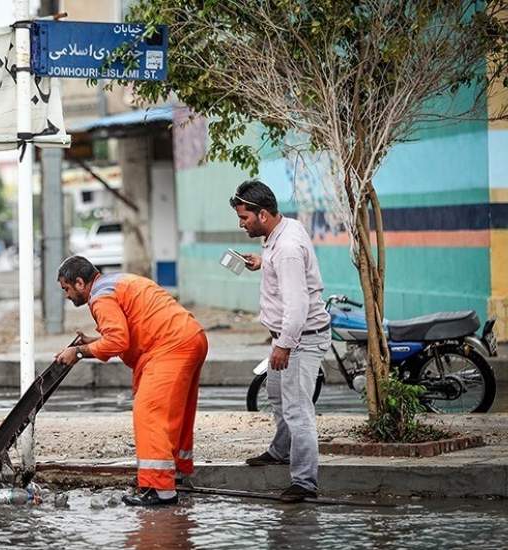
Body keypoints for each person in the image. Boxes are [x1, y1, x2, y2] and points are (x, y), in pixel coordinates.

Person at [54, 256, 208, 506]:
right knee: (176, 414)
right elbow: (130, 328)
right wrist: (92, 342)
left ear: (80, 283)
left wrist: (79, 352)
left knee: (149, 413)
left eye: (66, 289)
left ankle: (161, 490)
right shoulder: (115, 283)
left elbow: (117, 341)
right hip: (190, 337)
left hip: (169, 346)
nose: (67, 295)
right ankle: (177, 474)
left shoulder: (100, 298)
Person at [230, 179, 331, 503]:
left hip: (299, 340)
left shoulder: (285, 249)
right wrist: (262, 263)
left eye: (244, 218)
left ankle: (304, 482)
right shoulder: (283, 232)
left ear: (262, 215)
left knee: (298, 410)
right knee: (276, 395)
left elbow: (298, 305)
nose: (241, 224)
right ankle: (280, 450)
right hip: (287, 338)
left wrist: (285, 345)